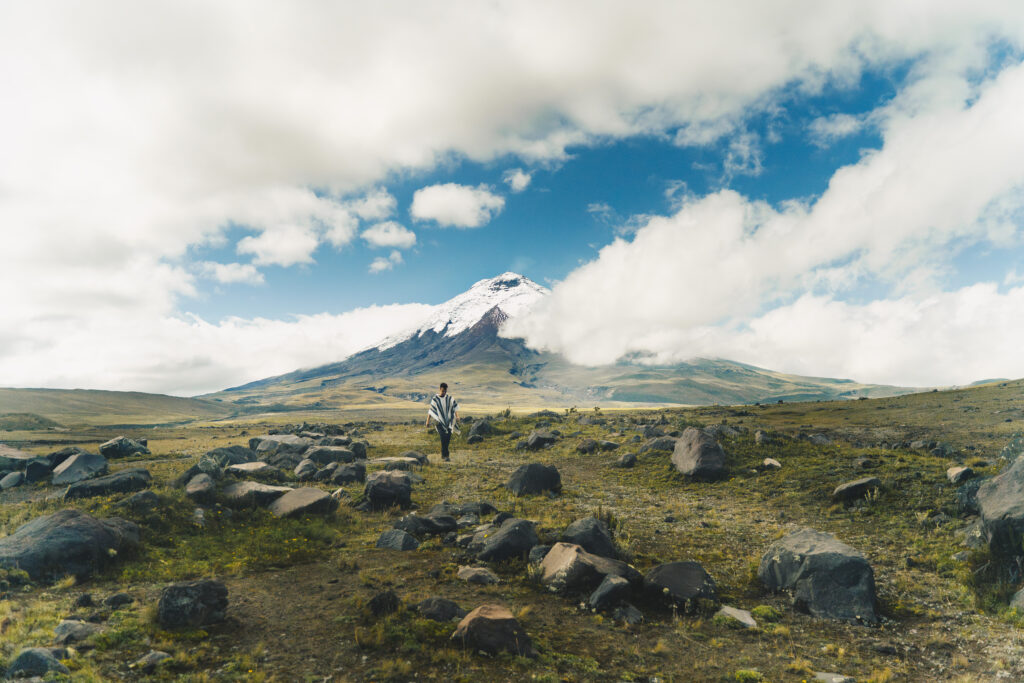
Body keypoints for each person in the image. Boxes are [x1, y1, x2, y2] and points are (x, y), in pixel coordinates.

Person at [426, 382, 459, 461]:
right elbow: (431, 410)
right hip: (439, 423)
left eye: (445, 391)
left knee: (447, 439)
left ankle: (444, 455)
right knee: (443, 438)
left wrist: (457, 416)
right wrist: (427, 421)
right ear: (440, 389)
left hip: (449, 422)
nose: (444, 392)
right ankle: (445, 456)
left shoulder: (449, 398)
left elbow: (454, 407)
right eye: (443, 391)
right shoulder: (435, 399)